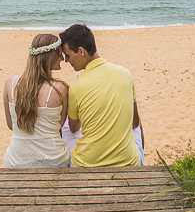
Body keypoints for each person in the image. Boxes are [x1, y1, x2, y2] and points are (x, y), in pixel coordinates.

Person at [60, 23, 141, 167]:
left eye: (68, 55)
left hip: (85, 164)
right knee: (137, 128)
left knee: (66, 126)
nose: (67, 61)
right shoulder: (125, 73)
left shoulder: (75, 88)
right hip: (128, 163)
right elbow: (135, 122)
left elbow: (74, 128)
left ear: (81, 51)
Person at [2, 33, 70, 168]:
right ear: (49, 57)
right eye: (59, 54)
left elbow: (11, 125)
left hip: (17, 162)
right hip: (54, 161)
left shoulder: (10, 83)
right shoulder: (60, 88)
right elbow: (59, 125)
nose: (62, 58)